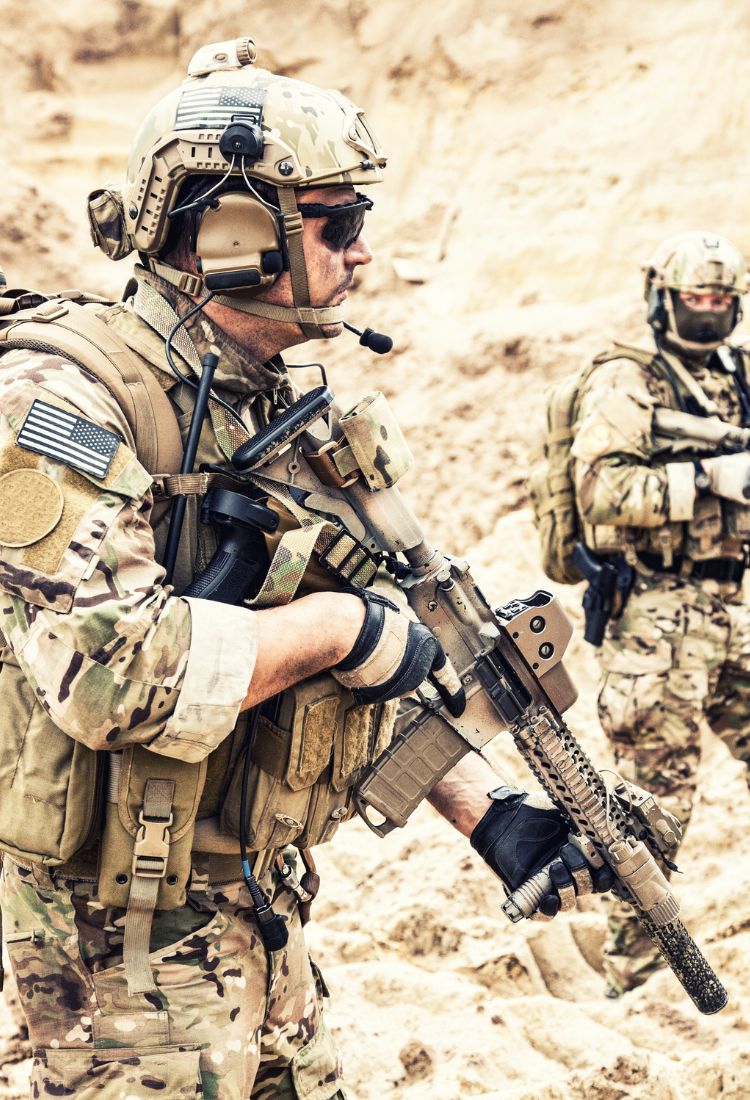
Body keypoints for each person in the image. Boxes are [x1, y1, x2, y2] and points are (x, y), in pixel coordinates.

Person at [0, 37, 606, 1098]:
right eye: (341, 223)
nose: (364, 254)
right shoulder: (57, 400)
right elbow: (114, 677)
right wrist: (342, 626)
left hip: (262, 910)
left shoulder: (278, 403)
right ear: (232, 237)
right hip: (120, 957)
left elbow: (362, 663)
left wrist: (489, 812)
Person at [570, 229, 750, 998]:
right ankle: (635, 981)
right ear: (662, 298)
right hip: (656, 620)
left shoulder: (736, 375)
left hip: (730, 604)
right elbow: (601, 493)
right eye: (695, 298)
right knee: (654, 810)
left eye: (721, 300)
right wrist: (710, 478)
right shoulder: (626, 380)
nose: (708, 312)